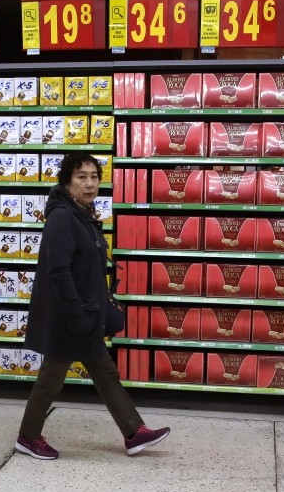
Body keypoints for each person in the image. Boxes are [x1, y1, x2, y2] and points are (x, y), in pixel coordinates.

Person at [17, 152, 170, 460]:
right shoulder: (62, 217)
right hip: (68, 316)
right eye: (81, 177)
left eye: (93, 177)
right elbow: (57, 272)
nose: (89, 184)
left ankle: (134, 432)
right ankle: (28, 437)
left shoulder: (83, 214)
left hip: (85, 314)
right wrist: (76, 314)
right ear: (66, 182)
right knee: (51, 379)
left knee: (105, 372)